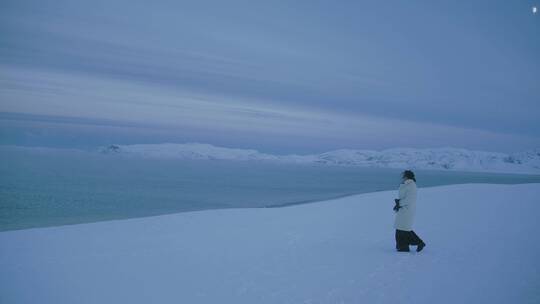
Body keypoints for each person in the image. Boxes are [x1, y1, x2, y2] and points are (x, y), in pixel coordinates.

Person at [393, 170, 426, 252]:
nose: (402, 178)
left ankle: (406, 246)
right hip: (403, 209)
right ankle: (404, 247)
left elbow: (409, 199)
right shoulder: (407, 184)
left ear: (407, 176)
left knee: (403, 229)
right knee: (401, 228)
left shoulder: (411, 186)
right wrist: (399, 203)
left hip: (407, 210)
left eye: (403, 176)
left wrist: (399, 203)